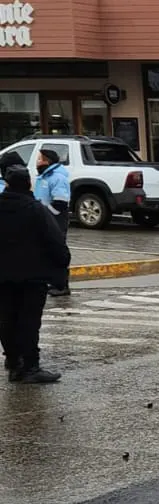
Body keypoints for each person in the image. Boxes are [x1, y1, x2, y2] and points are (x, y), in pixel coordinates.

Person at [0, 163, 70, 383]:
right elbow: (55, 241)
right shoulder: (35, 209)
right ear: (28, 183)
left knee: (7, 319)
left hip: (3, 277)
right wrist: (62, 268)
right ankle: (30, 366)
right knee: (29, 321)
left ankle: (14, 362)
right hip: (32, 277)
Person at [34, 148, 72, 297]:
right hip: (45, 219)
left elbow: (60, 203)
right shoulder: (43, 177)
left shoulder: (57, 178)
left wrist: (46, 213)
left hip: (56, 219)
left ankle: (62, 285)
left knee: (58, 250)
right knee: (47, 251)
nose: (37, 162)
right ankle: (54, 282)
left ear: (47, 161)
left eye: (39, 159)